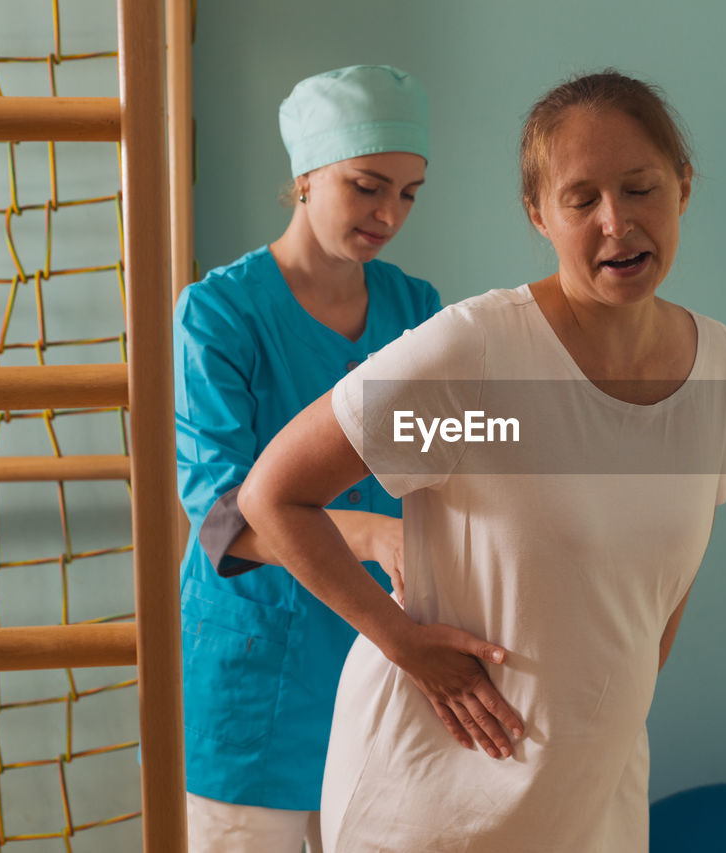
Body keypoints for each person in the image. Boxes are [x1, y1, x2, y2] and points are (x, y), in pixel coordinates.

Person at [238, 70, 726, 852]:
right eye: (581, 200)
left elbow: (659, 581)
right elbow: (271, 494)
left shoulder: (720, 364)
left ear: (682, 187)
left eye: (640, 188)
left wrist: (605, 709)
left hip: (591, 794)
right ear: (538, 214)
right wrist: (401, 642)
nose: (617, 222)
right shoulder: (480, 354)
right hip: (434, 802)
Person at [173, 65, 441, 853]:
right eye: (367, 186)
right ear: (304, 176)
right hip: (257, 684)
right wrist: (368, 534)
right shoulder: (218, 314)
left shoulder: (415, 307)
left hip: (386, 653)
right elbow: (223, 515)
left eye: (409, 192)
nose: (389, 213)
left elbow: (445, 455)